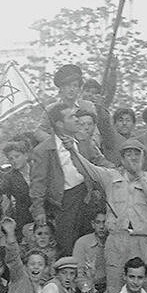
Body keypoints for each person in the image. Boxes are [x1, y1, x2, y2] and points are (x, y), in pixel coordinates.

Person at [65, 135, 147, 292]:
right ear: (122, 159)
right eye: (128, 154)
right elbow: (88, 169)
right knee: (115, 287)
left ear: (142, 157)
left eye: (137, 154)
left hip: (142, 240)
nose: (133, 157)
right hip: (117, 239)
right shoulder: (110, 176)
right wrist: (72, 150)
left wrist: (140, 176)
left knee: (145, 288)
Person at [30, 102, 112, 254]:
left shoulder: (83, 140)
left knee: (91, 238)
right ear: (60, 124)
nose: (77, 120)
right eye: (72, 116)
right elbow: (38, 183)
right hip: (64, 202)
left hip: (88, 196)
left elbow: (98, 160)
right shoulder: (43, 150)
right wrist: (38, 209)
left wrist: (114, 169)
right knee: (67, 243)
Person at [73, 207, 108, 292]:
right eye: (98, 222)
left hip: (110, 287)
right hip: (89, 287)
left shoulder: (114, 243)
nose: (102, 227)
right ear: (93, 224)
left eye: (105, 222)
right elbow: (78, 273)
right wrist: (87, 289)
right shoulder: (82, 243)